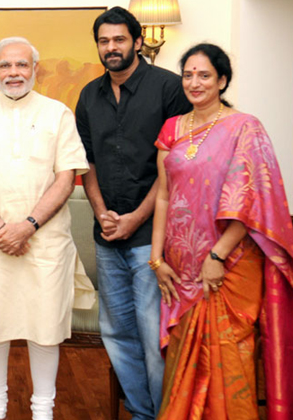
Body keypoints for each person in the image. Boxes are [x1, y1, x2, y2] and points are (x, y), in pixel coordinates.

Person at [0, 37, 95, 420]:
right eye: (6, 66)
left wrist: (27, 226)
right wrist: (1, 229)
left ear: (34, 69)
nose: (14, 73)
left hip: (44, 242)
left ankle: (43, 411)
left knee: (45, 326)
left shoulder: (58, 114)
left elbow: (66, 178)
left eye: (22, 65)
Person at [151, 43, 293, 420]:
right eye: (188, 75)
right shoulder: (172, 127)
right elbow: (164, 195)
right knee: (183, 360)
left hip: (228, 264)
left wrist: (217, 256)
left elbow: (251, 201)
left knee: (228, 359)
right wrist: (156, 259)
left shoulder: (245, 128)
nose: (194, 83)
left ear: (222, 80)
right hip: (179, 268)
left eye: (204, 75)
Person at [75, 6, 192, 419]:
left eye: (119, 39)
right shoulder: (89, 95)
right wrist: (102, 212)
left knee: (153, 336)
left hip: (152, 238)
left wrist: (136, 218)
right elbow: (86, 161)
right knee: (117, 334)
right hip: (107, 236)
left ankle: (163, 413)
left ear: (138, 41)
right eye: (104, 41)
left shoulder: (169, 88)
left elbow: (175, 164)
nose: (111, 47)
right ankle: (143, 413)